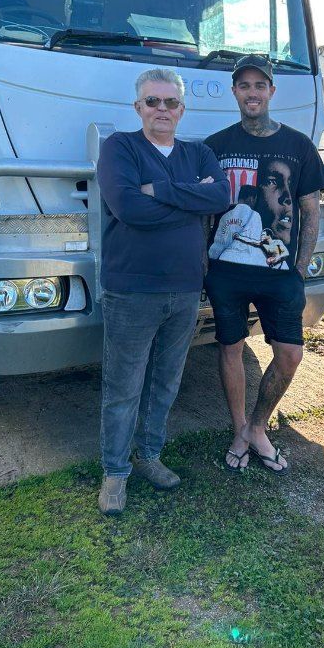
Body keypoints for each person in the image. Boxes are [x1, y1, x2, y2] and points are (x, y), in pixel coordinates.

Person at [96, 67, 230, 514]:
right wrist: (191, 202)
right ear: (138, 108)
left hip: (186, 289)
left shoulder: (199, 152)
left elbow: (221, 198)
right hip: (132, 292)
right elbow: (128, 207)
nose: (162, 109)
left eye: (170, 102)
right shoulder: (120, 148)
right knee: (124, 385)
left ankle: (149, 456)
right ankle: (115, 472)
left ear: (182, 109)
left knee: (166, 382)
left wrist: (164, 191)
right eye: (153, 101)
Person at [205, 54, 324, 474]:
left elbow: (311, 211)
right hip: (226, 271)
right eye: (245, 86)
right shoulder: (216, 145)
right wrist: (206, 266)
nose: (252, 92)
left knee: (290, 353)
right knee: (231, 348)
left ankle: (259, 426)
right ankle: (240, 429)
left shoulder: (297, 146)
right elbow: (206, 212)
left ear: (271, 91)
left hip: (280, 273)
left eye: (260, 85)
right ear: (235, 92)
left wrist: (299, 267)